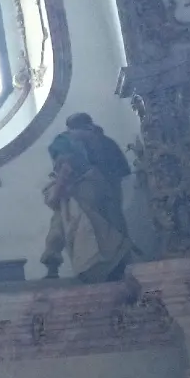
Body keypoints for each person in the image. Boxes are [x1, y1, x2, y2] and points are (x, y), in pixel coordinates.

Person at [41, 112, 133, 282]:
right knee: (111, 228)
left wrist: (60, 187)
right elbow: (120, 175)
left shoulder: (66, 140)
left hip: (80, 190)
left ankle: (55, 265)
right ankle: (118, 265)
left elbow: (65, 167)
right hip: (103, 193)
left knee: (68, 226)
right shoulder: (107, 142)